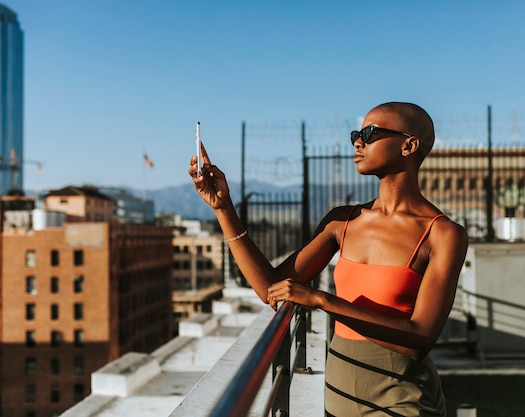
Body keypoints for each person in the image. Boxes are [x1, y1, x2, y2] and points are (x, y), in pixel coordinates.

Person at [189, 102, 468, 416]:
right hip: (337, 396)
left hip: (401, 400)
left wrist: (322, 301)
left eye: (370, 133)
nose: (358, 142)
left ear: (409, 145)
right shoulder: (342, 222)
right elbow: (270, 287)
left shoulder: (442, 234)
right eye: (356, 135)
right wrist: (224, 209)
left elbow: (419, 339)